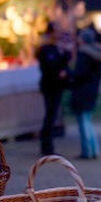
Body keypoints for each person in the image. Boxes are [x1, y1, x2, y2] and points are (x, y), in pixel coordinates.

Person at [71, 27, 101, 159]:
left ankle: (87, 150)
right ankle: (94, 149)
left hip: (82, 90)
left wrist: (70, 75)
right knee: (88, 120)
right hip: (92, 90)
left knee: (83, 121)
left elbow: (80, 73)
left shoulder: (84, 55)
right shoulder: (97, 55)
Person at [36, 24, 70, 156]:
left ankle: (48, 144)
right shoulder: (46, 50)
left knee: (52, 115)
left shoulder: (57, 49)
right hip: (51, 85)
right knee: (50, 115)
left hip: (56, 86)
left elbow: (64, 62)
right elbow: (49, 66)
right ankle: (46, 145)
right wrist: (58, 73)